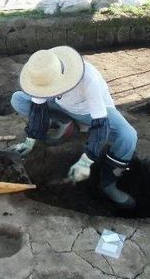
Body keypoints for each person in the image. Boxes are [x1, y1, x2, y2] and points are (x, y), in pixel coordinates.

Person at [10, 46, 138, 208]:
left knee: (128, 136)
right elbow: (38, 109)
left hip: (90, 113)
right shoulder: (42, 76)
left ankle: (108, 185)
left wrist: (86, 160)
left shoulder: (87, 78)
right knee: (18, 99)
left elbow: (101, 122)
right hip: (62, 108)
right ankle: (66, 122)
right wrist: (30, 139)